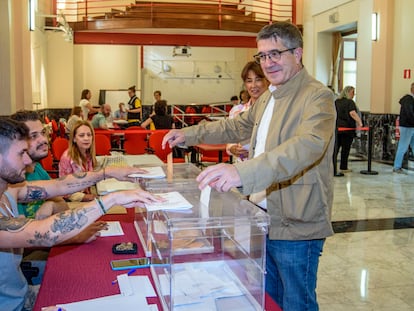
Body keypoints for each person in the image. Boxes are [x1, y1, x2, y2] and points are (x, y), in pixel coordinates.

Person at [162, 22, 335, 311]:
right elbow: (235, 126)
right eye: (263, 56)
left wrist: (240, 172)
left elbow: (305, 146)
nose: (268, 63)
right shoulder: (268, 96)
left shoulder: (317, 96)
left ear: (298, 53)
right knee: (271, 298)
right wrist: (189, 134)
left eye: (275, 54)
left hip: (296, 221)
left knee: (297, 303)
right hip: (263, 216)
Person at [0, 118, 161, 311]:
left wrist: (107, 172)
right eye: (21, 154)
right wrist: (111, 199)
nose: (27, 161)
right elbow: (45, 232)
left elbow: (60, 185)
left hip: (23, 295)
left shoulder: (10, 189)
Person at [10, 110, 69, 219]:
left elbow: (64, 206)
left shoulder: (37, 168)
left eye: (43, 133)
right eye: (33, 136)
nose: (43, 139)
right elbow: (23, 233)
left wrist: (51, 205)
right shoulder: (12, 181)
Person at [226, 62, 269, 161]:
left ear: (267, 81)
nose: (253, 85)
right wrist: (232, 148)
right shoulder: (237, 111)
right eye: (249, 81)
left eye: (258, 80)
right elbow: (230, 139)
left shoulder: (274, 109)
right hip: (242, 168)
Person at [59, 121, 98, 202]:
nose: (86, 138)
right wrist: (84, 197)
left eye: (89, 135)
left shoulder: (88, 153)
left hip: (87, 191)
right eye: (81, 135)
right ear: (74, 139)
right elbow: (64, 189)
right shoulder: (67, 158)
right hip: (74, 200)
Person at [333, 86, 363, 176]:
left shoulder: (336, 102)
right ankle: (343, 167)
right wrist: (360, 122)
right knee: (345, 149)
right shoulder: (350, 102)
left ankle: (333, 167)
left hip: (336, 129)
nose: (354, 94)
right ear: (348, 92)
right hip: (347, 129)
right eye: (353, 92)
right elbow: (352, 113)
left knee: (335, 149)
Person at [393, 82, 414, 174]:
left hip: (410, 126)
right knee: (403, 146)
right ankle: (397, 167)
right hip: (407, 126)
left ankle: (397, 166)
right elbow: (410, 114)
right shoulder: (408, 100)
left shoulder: (409, 100)